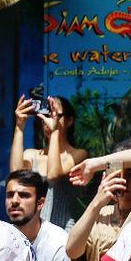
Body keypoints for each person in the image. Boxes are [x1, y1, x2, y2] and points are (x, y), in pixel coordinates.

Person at [10, 93, 88, 228]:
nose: (49, 119)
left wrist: (55, 132)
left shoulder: (78, 154)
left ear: (70, 121)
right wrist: (19, 127)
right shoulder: (31, 154)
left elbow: (53, 175)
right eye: (46, 114)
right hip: (33, 232)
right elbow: (16, 176)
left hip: (63, 231)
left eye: (56, 115)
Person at [4, 170, 71, 261]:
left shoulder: (58, 243)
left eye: (24, 195)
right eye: (10, 195)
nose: (14, 201)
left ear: (40, 203)